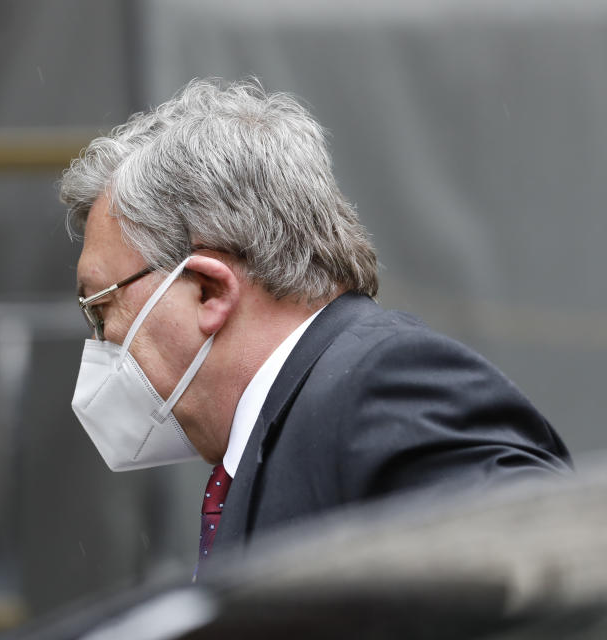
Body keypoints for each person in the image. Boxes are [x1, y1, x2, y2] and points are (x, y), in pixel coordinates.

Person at [59, 78, 572, 578]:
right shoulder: (298, 419)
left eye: (101, 306)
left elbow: (551, 587)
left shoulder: (383, 385)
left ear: (208, 291)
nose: (102, 340)